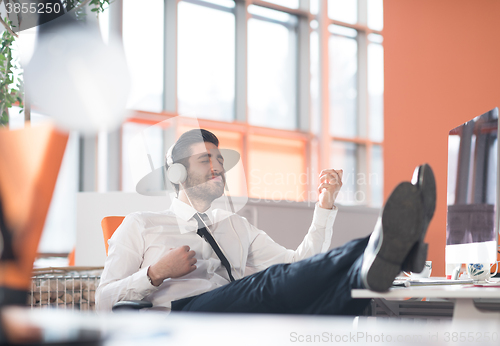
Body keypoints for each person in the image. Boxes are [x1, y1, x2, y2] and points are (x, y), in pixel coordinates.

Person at [96, 129, 436, 315]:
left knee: (338, 299)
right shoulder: (141, 224)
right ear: (178, 172)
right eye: (206, 160)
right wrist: (155, 273)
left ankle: (383, 255)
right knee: (267, 284)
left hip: (233, 312)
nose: (218, 167)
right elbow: (102, 300)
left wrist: (325, 204)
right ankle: (384, 247)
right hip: (181, 319)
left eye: (219, 160)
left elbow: (299, 264)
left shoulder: (234, 225)